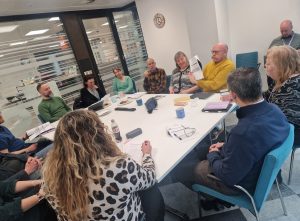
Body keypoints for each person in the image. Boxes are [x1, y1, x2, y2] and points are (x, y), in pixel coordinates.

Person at [173, 68, 289, 206]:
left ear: (233, 95)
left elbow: (227, 175)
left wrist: (213, 155)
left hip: (240, 184)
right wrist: (226, 146)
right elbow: (255, 143)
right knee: (211, 145)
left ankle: (215, 197)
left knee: (182, 169)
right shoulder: (275, 110)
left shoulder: (244, 132)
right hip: (254, 167)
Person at [42, 110, 164, 221]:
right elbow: (150, 177)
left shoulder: (49, 177)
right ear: (98, 135)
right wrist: (146, 155)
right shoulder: (117, 167)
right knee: (150, 189)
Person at [264, 46, 300, 146]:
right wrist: (245, 96)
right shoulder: (280, 80)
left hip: (294, 132)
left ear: (281, 65)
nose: (265, 66)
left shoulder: (292, 85)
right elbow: (267, 96)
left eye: (268, 63)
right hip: (283, 127)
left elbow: (286, 120)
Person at [267, 20, 300, 86]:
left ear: (291, 27)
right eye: (282, 31)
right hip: (280, 71)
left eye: (286, 30)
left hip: (295, 69)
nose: (284, 33)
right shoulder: (276, 41)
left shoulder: (298, 38)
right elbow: (268, 54)